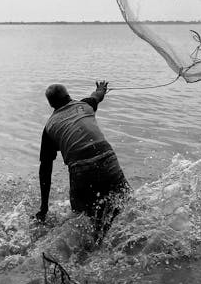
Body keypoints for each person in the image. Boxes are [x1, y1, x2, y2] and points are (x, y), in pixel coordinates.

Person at [35, 80, 130, 238]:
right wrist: (101, 88)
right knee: (124, 201)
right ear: (69, 96)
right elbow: (97, 96)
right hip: (108, 159)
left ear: (51, 104)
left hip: (81, 169)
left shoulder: (49, 127)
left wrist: (44, 207)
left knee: (81, 218)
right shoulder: (85, 106)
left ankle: (88, 249)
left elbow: (45, 170)